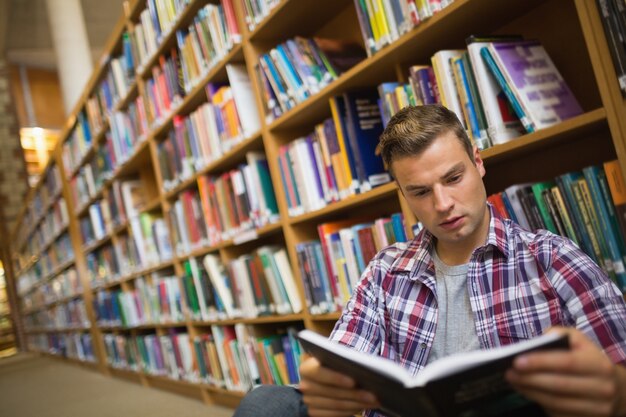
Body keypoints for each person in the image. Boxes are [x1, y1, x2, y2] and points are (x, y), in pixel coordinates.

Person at [233, 105, 626, 417]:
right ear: (403, 195)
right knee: (269, 403)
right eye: (420, 192)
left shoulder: (553, 260)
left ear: (478, 162)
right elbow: (343, 359)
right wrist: (323, 380)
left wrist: (609, 390)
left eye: (453, 178)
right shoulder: (386, 271)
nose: (442, 204)